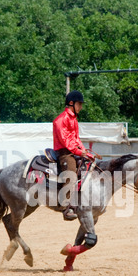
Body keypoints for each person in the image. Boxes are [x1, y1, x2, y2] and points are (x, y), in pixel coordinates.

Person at [53, 90, 95, 221]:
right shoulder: (60, 120)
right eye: (79, 104)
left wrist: (86, 152)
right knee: (71, 173)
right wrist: (79, 152)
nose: (81, 107)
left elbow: (76, 139)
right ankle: (66, 208)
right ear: (71, 103)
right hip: (64, 153)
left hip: (73, 151)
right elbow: (65, 141)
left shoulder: (73, 119)